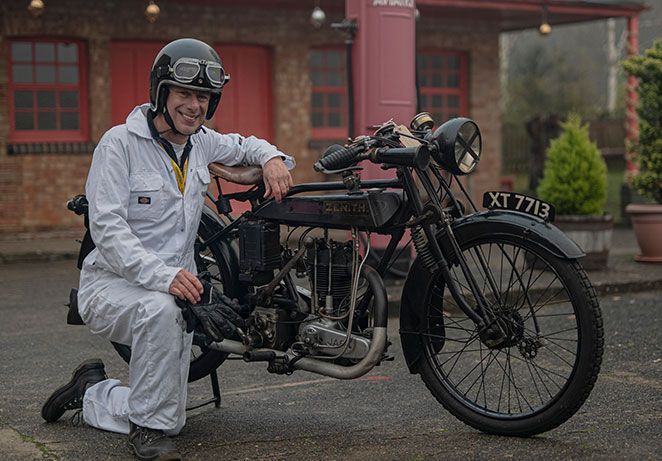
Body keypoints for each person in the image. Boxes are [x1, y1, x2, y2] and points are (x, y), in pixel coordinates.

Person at [41, 38, 295, 460]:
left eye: (203, 97)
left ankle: (90, 391)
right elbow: (107, 229)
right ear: (161, 93)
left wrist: (270, 159)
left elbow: (248, 144)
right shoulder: (118, 144)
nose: (194, 105)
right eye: (184, 94)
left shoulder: (202, 144)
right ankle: (146, 433)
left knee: (171, 418)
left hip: (176, 295)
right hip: (111, 287)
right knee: (160, 321)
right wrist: (165, 278)